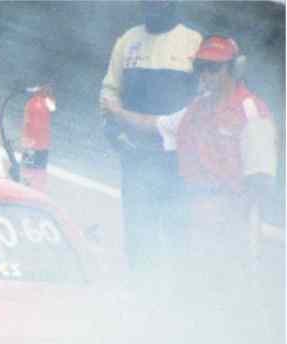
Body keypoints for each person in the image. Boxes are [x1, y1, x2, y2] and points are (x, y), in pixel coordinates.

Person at [103, 35, 279, 270]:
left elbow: (261, 182)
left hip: (230, 229)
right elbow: (156, 125)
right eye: (200, 66)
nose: (205, 74)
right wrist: (118, 113)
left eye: (213, 67)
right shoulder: (198, 108)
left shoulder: (251, 112)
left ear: (234, 69)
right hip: (193, 221)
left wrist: (233, 223)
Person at [100, 1, 203, 272]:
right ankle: (140, 289)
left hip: (176, 162)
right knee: (137, 233)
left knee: (177, 233)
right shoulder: (128, 40)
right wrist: (113, 130)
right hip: (136, 157)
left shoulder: (192, 42)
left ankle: (178, 291)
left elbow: (203, 101)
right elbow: (110, 90)